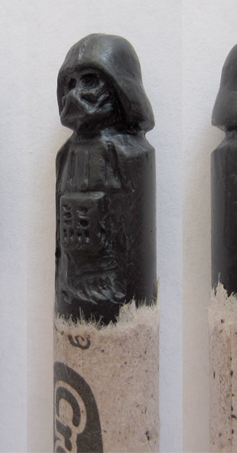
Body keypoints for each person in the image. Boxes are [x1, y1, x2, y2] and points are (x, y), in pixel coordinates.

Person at [55, 33, 157, 324]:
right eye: (70, 84)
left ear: (120, 86)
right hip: (73, 276)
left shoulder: (130, 154)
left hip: (112, 279)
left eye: (89, 81)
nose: (75, 94)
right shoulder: (65, 153)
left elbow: (132, 240)